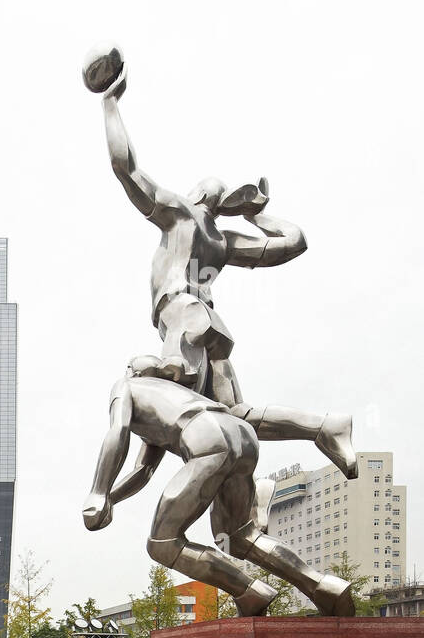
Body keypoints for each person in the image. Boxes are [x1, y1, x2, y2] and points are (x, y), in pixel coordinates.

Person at [95, 67, 356, 481]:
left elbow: (124, 167)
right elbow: (293, 242)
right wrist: (257, 214)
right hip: (210, 323)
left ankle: (162, 373)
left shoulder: (178, 214)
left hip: (182, 313)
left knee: (172, 377)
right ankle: (324, 425)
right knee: (237, 414)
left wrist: (109, 103)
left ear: (196, 196)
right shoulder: (224, 241)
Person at [83, 358, 354, 616]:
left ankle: (249, 591)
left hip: (206, 438)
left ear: (133, 371)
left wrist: (98, 491)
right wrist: (111, 499)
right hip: (241, 434)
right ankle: (322, 586)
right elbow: (142, 471)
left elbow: (117, 432)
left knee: (162, 544)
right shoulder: (172, 397)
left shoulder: (126, 385)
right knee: (238, 537)